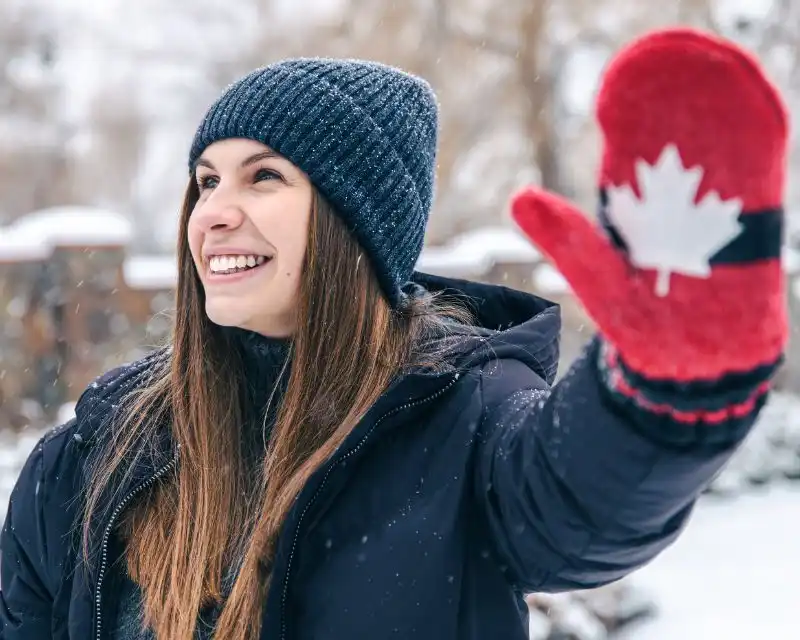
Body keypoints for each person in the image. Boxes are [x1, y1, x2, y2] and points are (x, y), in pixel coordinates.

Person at [0, 27, 788, 640]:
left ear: (356, 225)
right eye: (206, 179)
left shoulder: (465, 423)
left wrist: (660, 391)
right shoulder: (91, 461)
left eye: (263, 176)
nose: (212, 211)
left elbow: (584, 506)